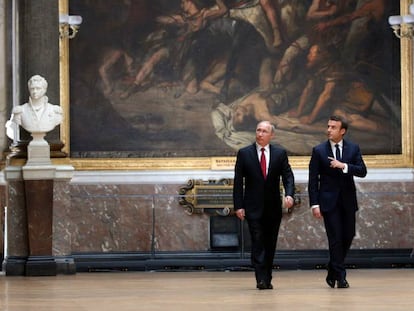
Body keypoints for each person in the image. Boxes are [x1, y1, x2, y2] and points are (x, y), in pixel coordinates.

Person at [233, 120, 295, 290]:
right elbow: (238, 182)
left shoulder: (280, 153)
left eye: (264, 131)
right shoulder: (244, 153)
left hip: (273, 207)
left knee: (270, 242)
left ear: (271, 135)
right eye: (258, 130)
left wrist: (289, 194)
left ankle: (267, 276)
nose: (260, 134)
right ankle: (260, 278)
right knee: (257, 241)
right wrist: (238, 205)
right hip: (252, 206)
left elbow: (288, 176)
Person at [308, 115, 367, 288]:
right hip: (328, 202)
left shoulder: (353, 149)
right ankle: (341, 277)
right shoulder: (319, 150)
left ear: (343, 131)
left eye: (333, 127)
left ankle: (332, 268)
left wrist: (344, 166)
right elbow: (313, 180)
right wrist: (315, 204)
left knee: (348, 235)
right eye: (328, 126)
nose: (329, 130)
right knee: (335, 239)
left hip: (348, 201)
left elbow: (363, 171)